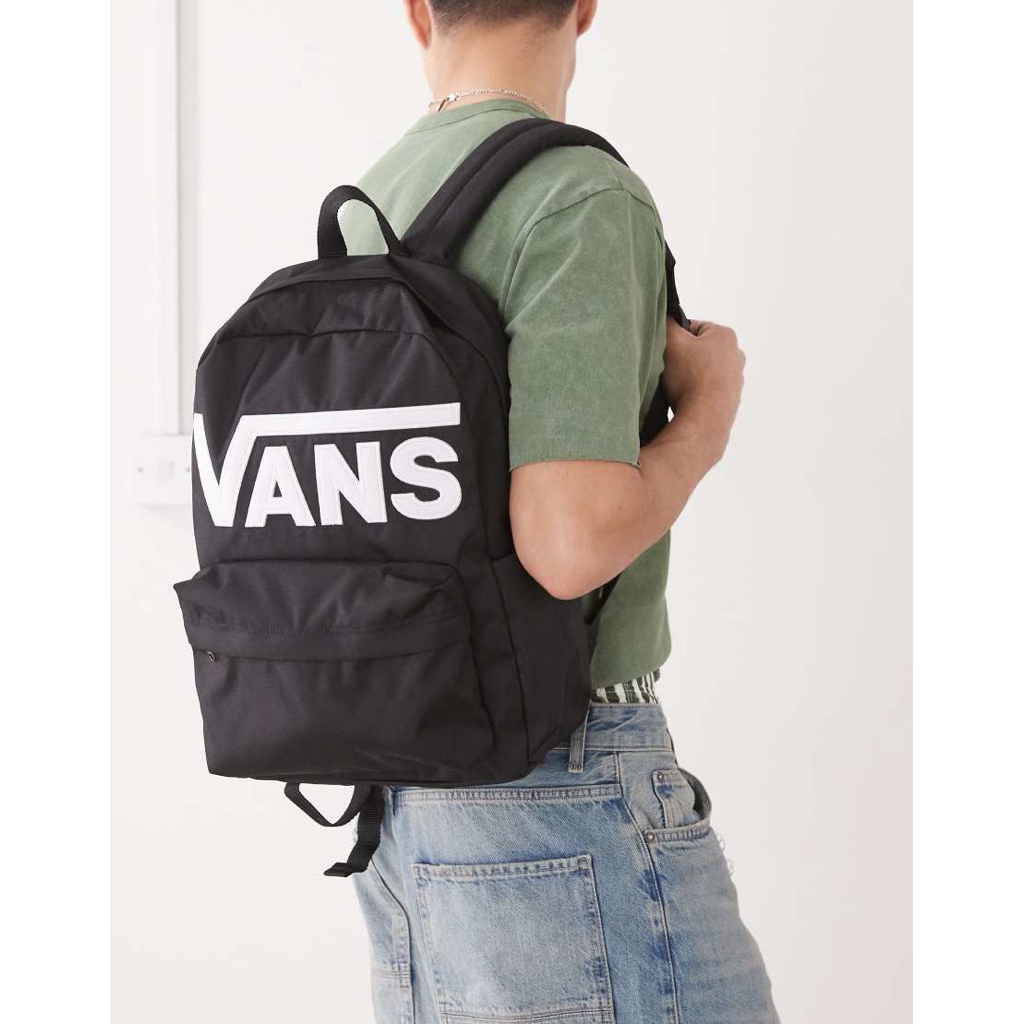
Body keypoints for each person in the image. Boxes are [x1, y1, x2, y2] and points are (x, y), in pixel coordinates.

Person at [342, 2, 779, 1021]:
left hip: (398, 792)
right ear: (583, 5)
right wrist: (706, 417)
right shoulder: (577, 195)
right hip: (558, 772)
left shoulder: (370, 199)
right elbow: (568, 541)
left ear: (417, 12)